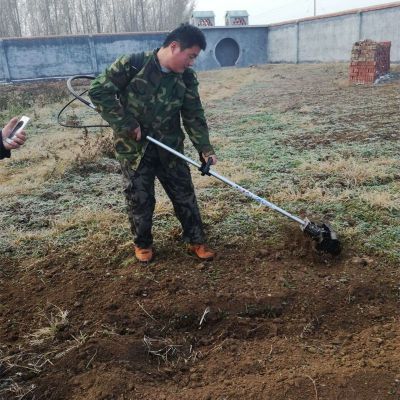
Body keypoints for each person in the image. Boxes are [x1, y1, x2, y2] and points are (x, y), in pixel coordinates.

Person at [89, 24, 217, 263]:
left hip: (170, 147)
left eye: (194, 58)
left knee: (184, 195)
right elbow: (98, 90)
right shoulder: (133, 64)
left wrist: (205, 148)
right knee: (139, 199)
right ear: (174, 46)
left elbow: (193, 113)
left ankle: (196, 240)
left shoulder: (186, 78)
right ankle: (143, 244)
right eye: (190, 56)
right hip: (135, 149)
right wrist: (126, 122)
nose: (191, 63)